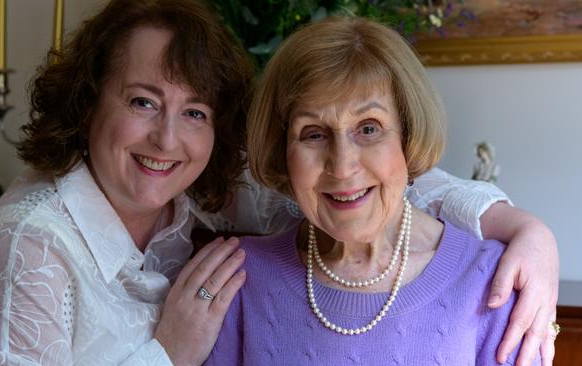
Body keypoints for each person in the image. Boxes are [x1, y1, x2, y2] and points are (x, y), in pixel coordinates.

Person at [0, 1, 557, 365]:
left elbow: (372, 185)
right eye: (144, 102)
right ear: (88, 102)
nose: (168, 139)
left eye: (196, 112)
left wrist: (526, 232)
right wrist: (167, 354)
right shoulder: (23, 250)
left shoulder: (197, 192)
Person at [206, 17, 554, 366]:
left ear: (408, 135)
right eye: (313, 133)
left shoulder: (492, 281)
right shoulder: (239, 278)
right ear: (282, 150)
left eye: (368, 128)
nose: (342, 166)